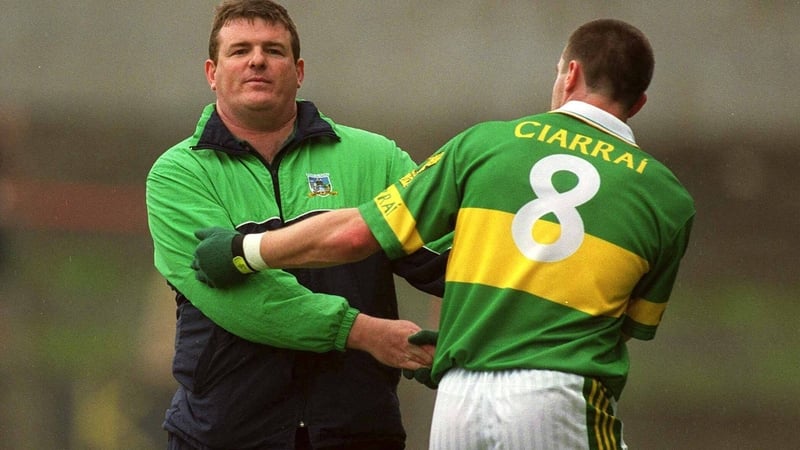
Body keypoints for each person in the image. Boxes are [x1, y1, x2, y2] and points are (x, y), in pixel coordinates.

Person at [191, 18, 696, 449]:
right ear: (641, 100)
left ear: (571, 73)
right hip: (561, 397)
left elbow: (354, 234)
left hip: (458, 401)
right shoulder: (667, 198)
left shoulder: (486, 143)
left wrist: (245, 250)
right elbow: (626, 325)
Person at [145, 1, 449, 449]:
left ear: (299, 70)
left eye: (274, 49)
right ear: (212, 72)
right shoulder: (178, 175)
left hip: (358, 429)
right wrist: (366, 333)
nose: (257, 60)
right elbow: (248, 302)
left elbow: (451, 261)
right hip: (225, 434)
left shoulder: (375, 158)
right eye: (239, 50)